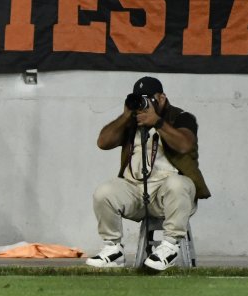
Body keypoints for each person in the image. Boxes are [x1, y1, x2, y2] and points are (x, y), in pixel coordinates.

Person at [87, 77, 211, 272]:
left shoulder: (181, 117)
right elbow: (103, 142)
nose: (143, 105)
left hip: (169, 193)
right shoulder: (132, 121)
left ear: (162, 98)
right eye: (139, 100)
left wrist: (158, 123)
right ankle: (113, 250)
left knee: (178, 184)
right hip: (136, 191)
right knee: (104, 192)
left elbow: (185, 144)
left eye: (148, 100)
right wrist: (125, 115)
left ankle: (169, 246)